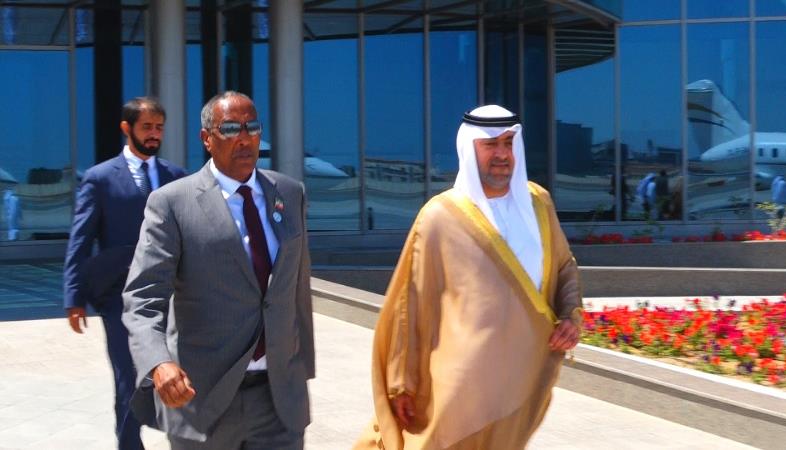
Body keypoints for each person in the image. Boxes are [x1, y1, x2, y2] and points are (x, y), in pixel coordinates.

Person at [355, 105, 583, 450]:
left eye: (508, 143)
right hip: (458, 384)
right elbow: (409, 303)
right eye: (490, 144)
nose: (502, 154)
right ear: (469, 147)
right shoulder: (440, 217)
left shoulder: (539, 204)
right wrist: (401, 381)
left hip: (520, 378)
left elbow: (564, 266)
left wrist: (570, 315)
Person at [122, 91, 314, 449]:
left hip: (279, 401)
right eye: (229, 129)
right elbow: (143, 298)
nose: (244, 138)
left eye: (252, 127)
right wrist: (158, 363)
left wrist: (303, 367)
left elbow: (297, 287)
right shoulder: (172, 203)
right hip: (204, 400)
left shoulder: (290, 193)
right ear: (206, 139)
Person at [62, 97, 186, 450]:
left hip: (173, 294)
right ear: (126, 128)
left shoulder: (177, 178)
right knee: (128, 379)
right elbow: (80, 240)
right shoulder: (100, 179)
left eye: (159, 127)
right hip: (120, 296)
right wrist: (74, 297)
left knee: (180, 373)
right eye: (147, 127)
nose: (154, 134)